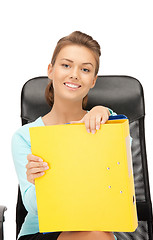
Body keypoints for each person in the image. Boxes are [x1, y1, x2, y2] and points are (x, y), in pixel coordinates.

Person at [12, 31, 117, 240]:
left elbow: (118, 178)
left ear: (93, 80)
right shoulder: (25, 136)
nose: (75, 74)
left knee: (97, 234)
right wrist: (36, 183)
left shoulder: (105, 122)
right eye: (66, 65)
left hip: (94, 228)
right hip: (41, 232)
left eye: (85, 69)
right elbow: (33, 209)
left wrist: (105, 113)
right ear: (51, 70)